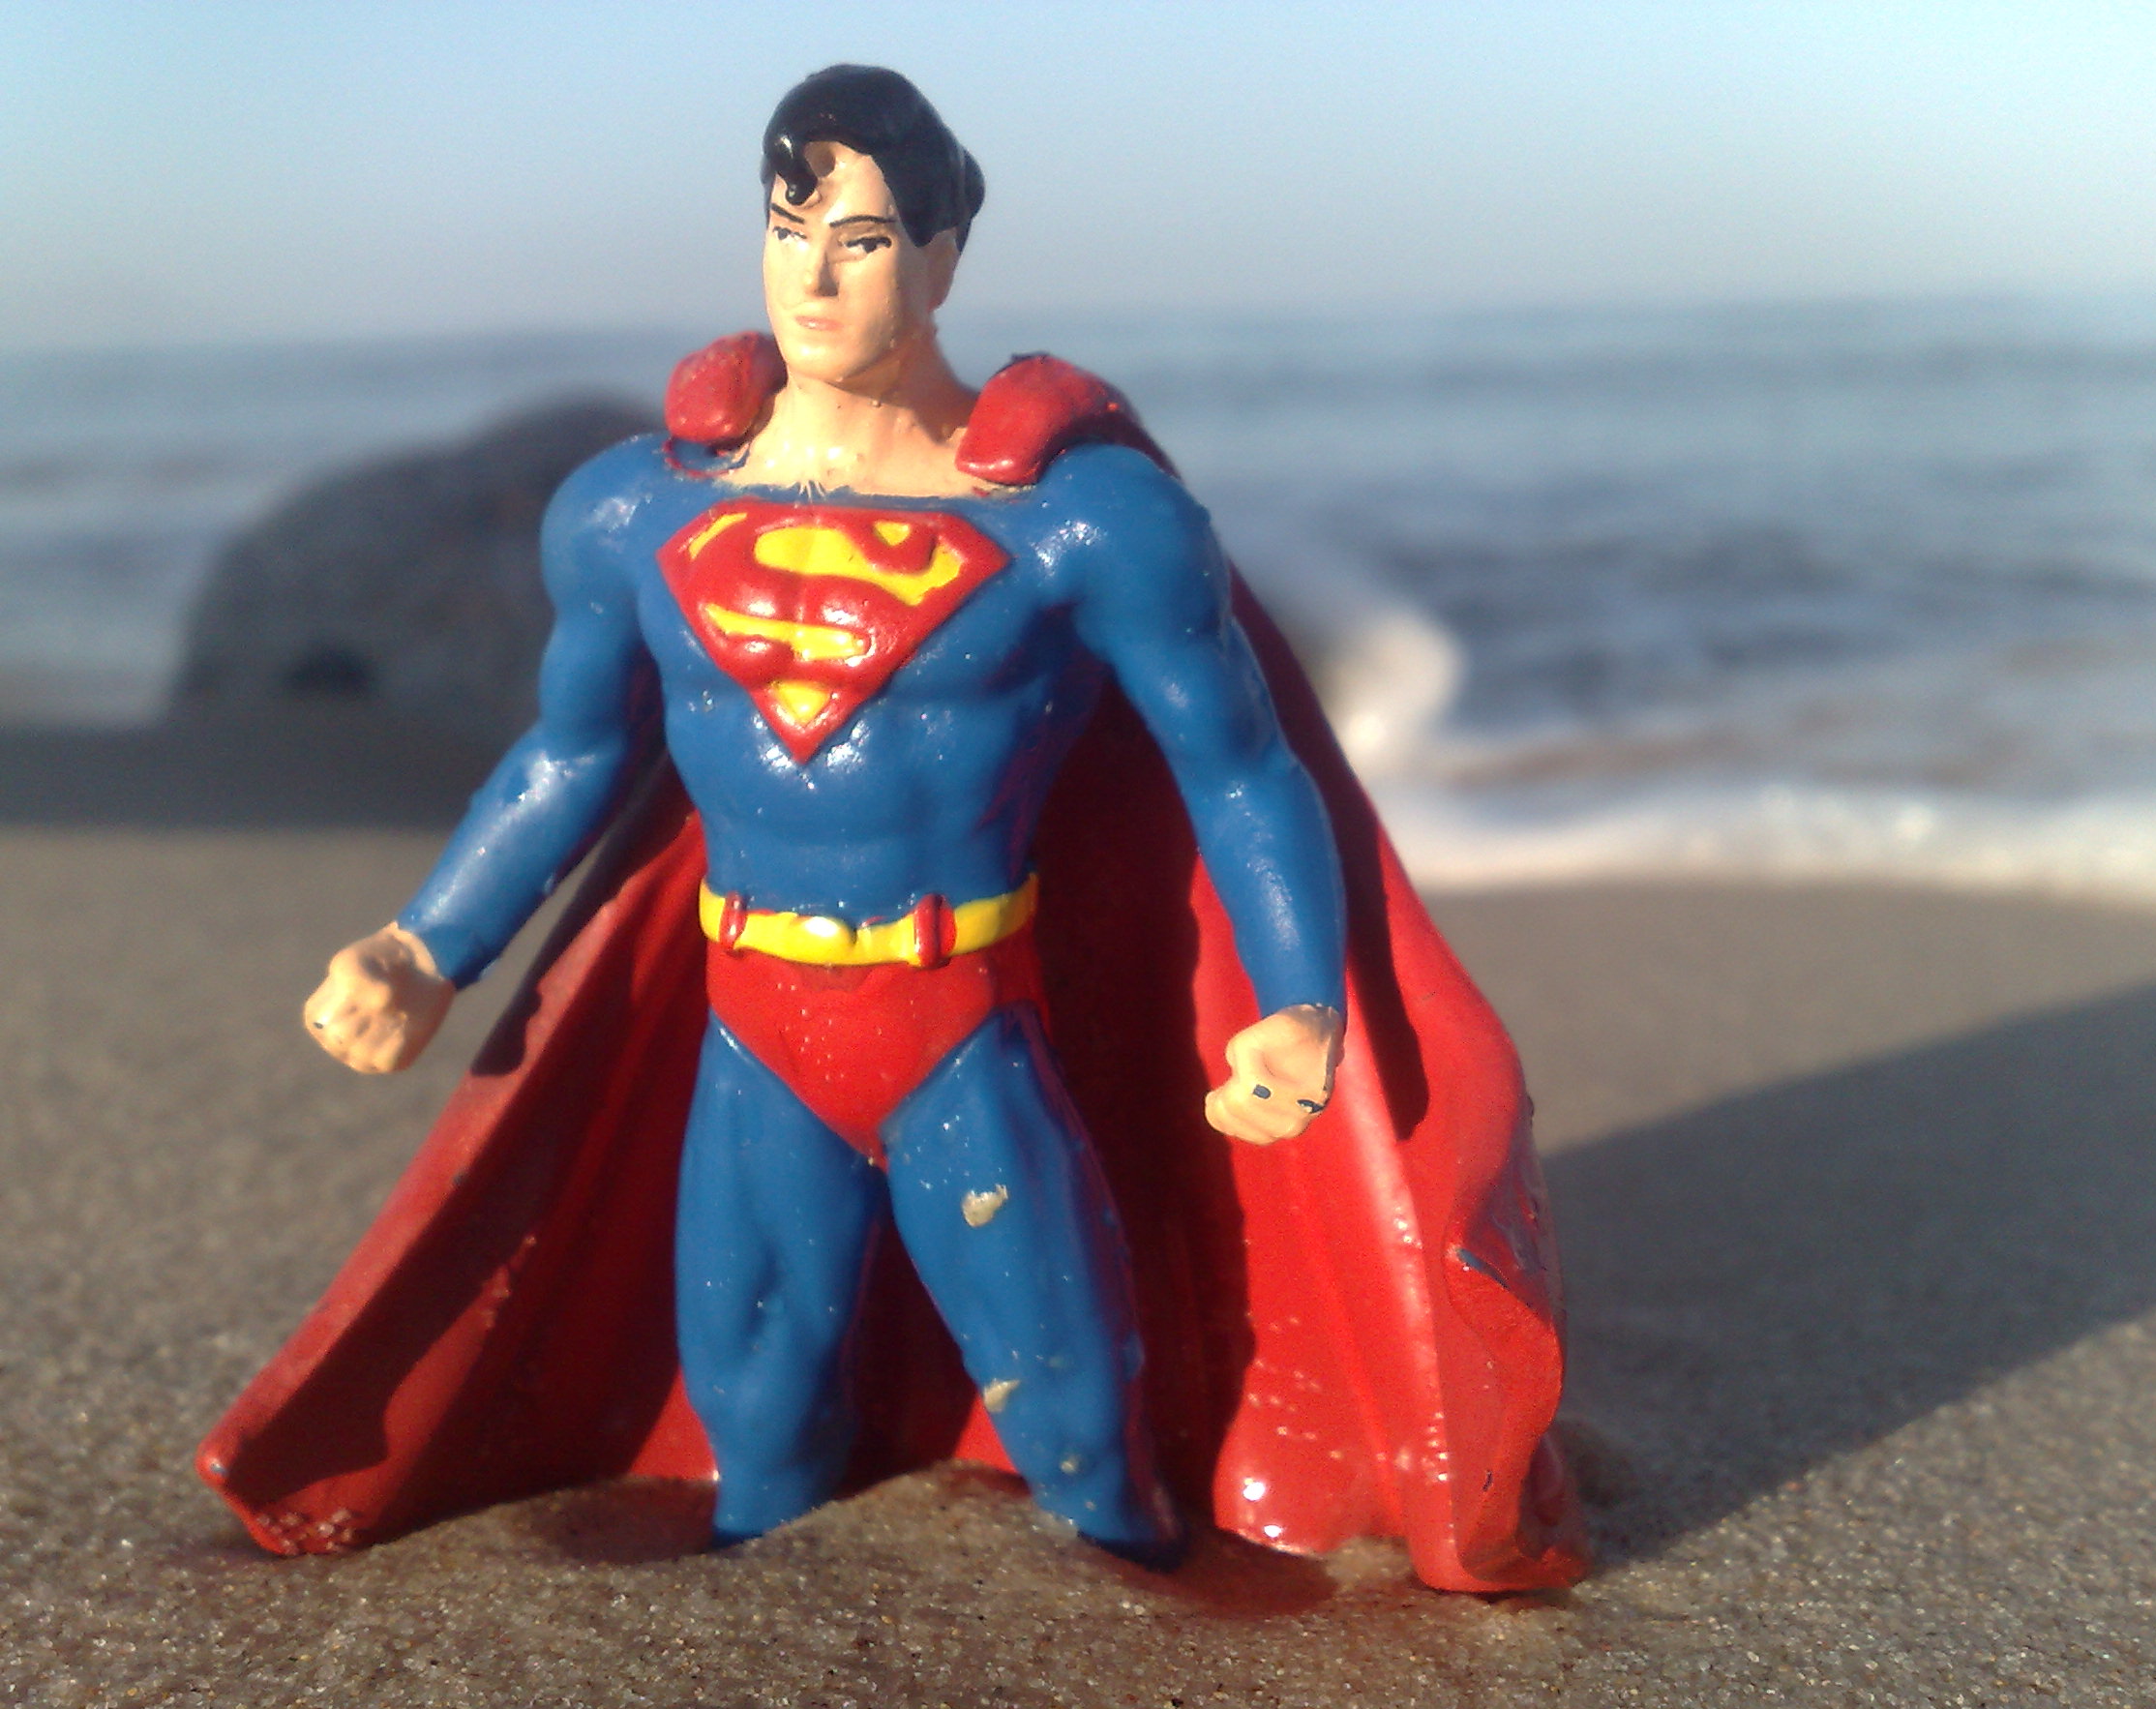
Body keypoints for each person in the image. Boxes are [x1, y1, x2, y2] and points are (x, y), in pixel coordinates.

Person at [209, 66, 1582, 1593]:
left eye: (859, 242)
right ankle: (751, 1649)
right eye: (787, 230)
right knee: (754, 1408)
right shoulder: (632, 512)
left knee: (1073, 1408)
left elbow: (1244, 771)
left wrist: (1302, 1003)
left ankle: (1137, 1618)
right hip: (754, 1028)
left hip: (960, 1025)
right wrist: (426, 945)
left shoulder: (1081, 522)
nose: (812, 278)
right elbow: (575, 750)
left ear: (940, 259)